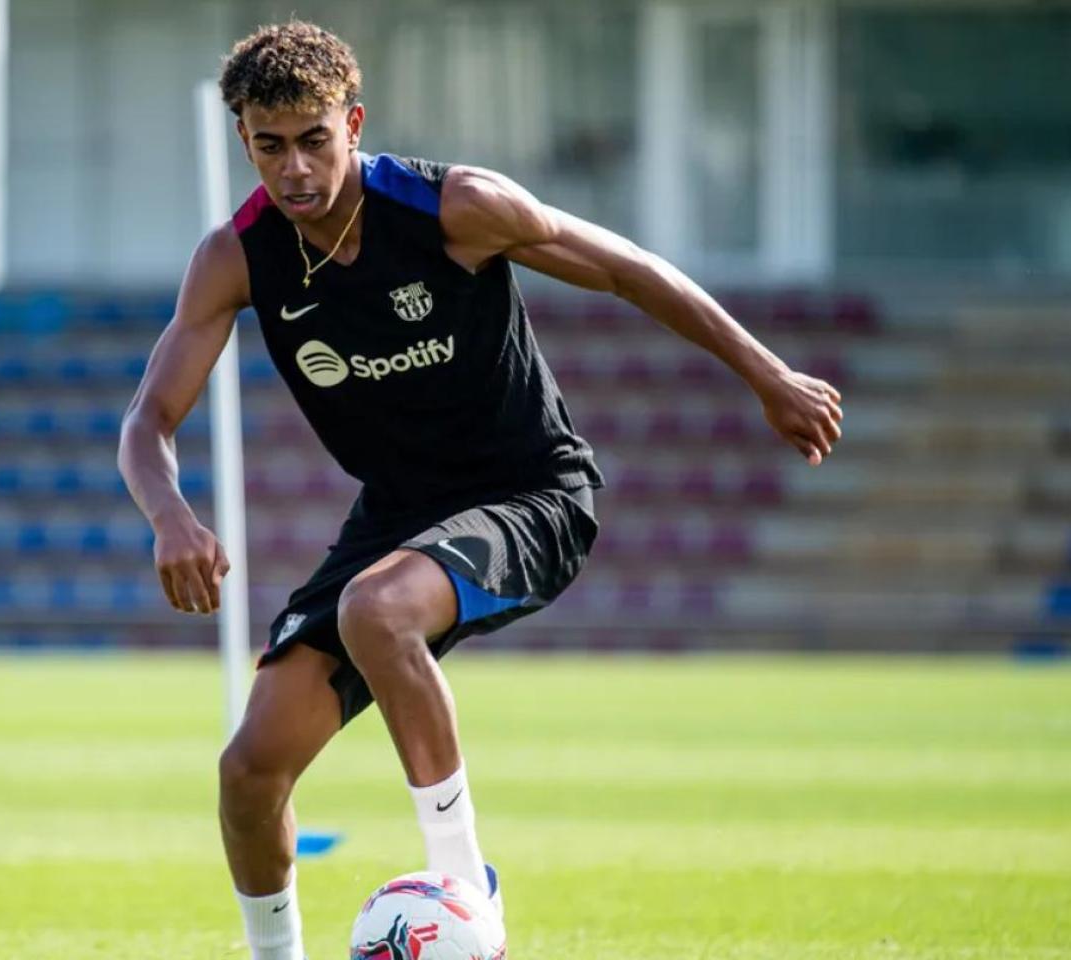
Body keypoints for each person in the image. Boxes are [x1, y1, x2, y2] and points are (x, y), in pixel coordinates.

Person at [117, 20, 844, 960]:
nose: (294, 169)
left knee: (377, 611)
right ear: (244, 140)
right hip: (398, 514)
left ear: (354, 123)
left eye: (314, 140)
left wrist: (768, 375)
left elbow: (623, 268)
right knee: (250, 772)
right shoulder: (235, 257)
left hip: (533, 492)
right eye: (269, 145)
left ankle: (464, 887)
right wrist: (170, 514)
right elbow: (147, 423)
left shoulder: (454, 206)